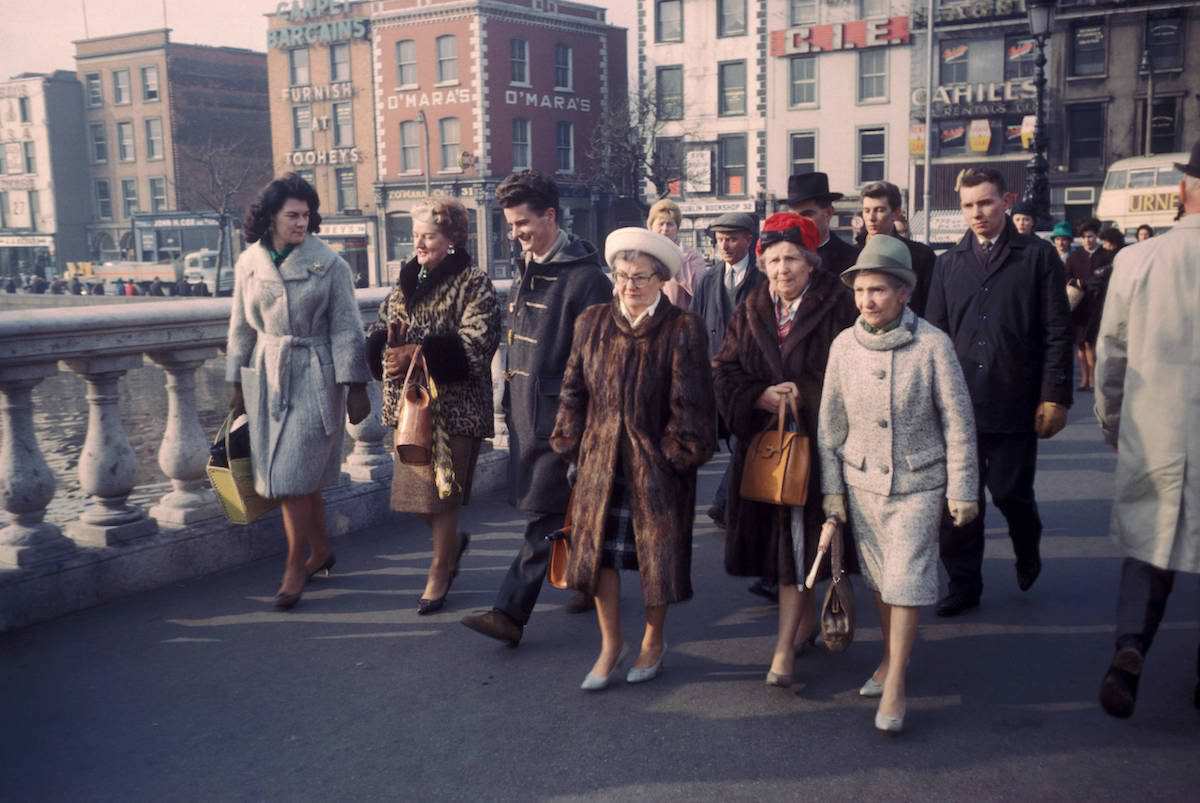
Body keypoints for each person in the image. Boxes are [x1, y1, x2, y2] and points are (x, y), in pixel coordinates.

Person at [819, 234, 979, 734]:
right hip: (862, 480)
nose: (868, 300)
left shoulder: (932, 344)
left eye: (880, 291)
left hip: (918, 480)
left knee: (907, 580)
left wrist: (963, 488)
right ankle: (891, 659)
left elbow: (958, 421)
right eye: (861, 291)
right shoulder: (844, 345)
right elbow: (830, 426)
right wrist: (832, 492)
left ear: (904, 292)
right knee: (882, 582)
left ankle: (895, 685)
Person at [551, 228, 716, 689]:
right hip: (600, 463)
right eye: (622, 276)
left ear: (662, 279)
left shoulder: (682, 328)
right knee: (600, 556)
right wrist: (571, 443)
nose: (630, 286)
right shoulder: (592, 322)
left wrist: (674, 455)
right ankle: (609, 644)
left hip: (656, 467)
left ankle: (652, 640)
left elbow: (695, 405)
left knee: (654, 559)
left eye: (641, 277)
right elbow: (572, 389)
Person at [461, 170, 612, 646]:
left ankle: (510, 612)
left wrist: (581, 423)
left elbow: (596, 361)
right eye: (510, 225)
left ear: (550, 215)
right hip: (528, 414)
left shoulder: (587, 280)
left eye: (522, 223)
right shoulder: (529, 266)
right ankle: (590, 581)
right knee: (576, 507)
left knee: (545, 514)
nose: (515, 233)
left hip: (563, 419)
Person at [713, 212, 858, 688]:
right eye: (773, 259)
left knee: (799, 542)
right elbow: (725, 369)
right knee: (788, 542)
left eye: (792, 258)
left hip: (819, 447)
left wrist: (801, 392)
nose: (782, 269)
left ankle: (782, 653)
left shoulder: (838, 305)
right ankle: (805, 622)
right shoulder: (751, 304)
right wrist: (758, 395)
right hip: (769, 449)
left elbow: (852, 374)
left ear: (811, 263)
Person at [925, 167, 1073, 617]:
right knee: (958, 504)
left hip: (1015, 399)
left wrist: (1055, 394)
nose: (977, 214)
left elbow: (1057, 331)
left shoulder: (1037, 257)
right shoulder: (949, 263)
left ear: (1005, 201)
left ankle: (1027, 542)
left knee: (1010, 493)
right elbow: (934, 336)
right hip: (960, 403)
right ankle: (964, 584)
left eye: (986, 203)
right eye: (968, 205)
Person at [226, 172, 372, 610]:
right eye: (292, 215)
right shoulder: (249, 262)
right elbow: (239, 328)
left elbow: (348, 329)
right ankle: (322, 551)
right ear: (271, 216)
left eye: (306, 215)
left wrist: (356, 386)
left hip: (315, 375)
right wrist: (236, 382)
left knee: (291, 477)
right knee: (300, 480)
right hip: (269, 375)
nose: (301, 223)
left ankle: (294, 565)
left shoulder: (330, 264)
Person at [1094, 141, 1200, 719]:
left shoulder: (1138, 261)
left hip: (1155, 426)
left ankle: (1130, 646)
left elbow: (1111, 354)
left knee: (1148, 547)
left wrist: (1112, 421)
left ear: (1184, 191)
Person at [366, 198, 501, 615]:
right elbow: (379, 321)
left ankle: (440, 569)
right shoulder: (409, 277)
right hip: (410, 409)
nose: (419, 243)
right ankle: (453, 544)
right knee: (416, 498)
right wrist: (383, 347)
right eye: (416, 235)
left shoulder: (474, 282)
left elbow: (477, 344)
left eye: (428, 235)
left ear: (453, 238)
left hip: (454, 409)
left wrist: (419, 353)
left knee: (440, 497)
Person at [691, 211, 763, 530]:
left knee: (745, 439)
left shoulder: (762, 279)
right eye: (720, 239)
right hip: (714, 372)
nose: (725, 245)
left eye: (732, 238)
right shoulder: (708, 278)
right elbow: (695, 323)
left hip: (749, 373)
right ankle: (730, 504)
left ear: (749, 239)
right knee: (727, 440)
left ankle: (724, 504)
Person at [859, 180, 936, 316]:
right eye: (866, 211)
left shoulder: (921, 255)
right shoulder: (850, 255)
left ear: (896, 213)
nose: (871, 218)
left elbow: (930, 305)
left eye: (879, 210)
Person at [1064, 218, 1111, 392]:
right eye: (1084, 237)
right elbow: (1066, 277)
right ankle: (1084, 379)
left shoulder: (1104, 256)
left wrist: (1089, 284)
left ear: (1096, 237)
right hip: (1079, 306)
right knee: (1081, 345)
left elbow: (1106, 279)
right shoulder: (1074, 257)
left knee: (1091, 343)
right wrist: (1075, 283)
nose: (1087, 240)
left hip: (1097, 306)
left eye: (1090, 237)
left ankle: (1092, 379)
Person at [787, 172, 859, 279]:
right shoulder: (781, 258)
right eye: (793, 216)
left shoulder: (852, 259)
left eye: (807, 214)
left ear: (828, 213)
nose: (799, 222)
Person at [645, 198, 706, 311]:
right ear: (651, 227)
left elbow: (702, 292)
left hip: (678, 319)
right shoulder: (643, 254)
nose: (665, 229)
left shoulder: (691, 256)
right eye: (661, 224)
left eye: (670, 224)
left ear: (677, 228)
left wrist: (678, 261)